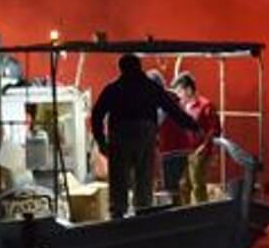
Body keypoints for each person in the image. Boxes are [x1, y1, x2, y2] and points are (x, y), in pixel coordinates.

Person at [92, 53, 204, 218]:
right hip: (145, 134)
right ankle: (143, 214)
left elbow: (97, 115)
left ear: (121, 68)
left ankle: (117, 215)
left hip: (120, 136)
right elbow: (172, 109)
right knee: (143, 178)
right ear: (139, 66)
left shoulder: (113, 88)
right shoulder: (150, 87)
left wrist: (101, 141)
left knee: (119, 179)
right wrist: (193, 125)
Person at [157, 73, 220, 203]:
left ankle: (200, 211)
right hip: (185, 150)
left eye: (180, 90)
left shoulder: (206, 106)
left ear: (189, 89)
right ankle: (184, 211)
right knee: (183, 185)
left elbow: (215, 130)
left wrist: (204, 147)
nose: (178, 94)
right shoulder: (182, 106)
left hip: (199, 152)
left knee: (197, 184)